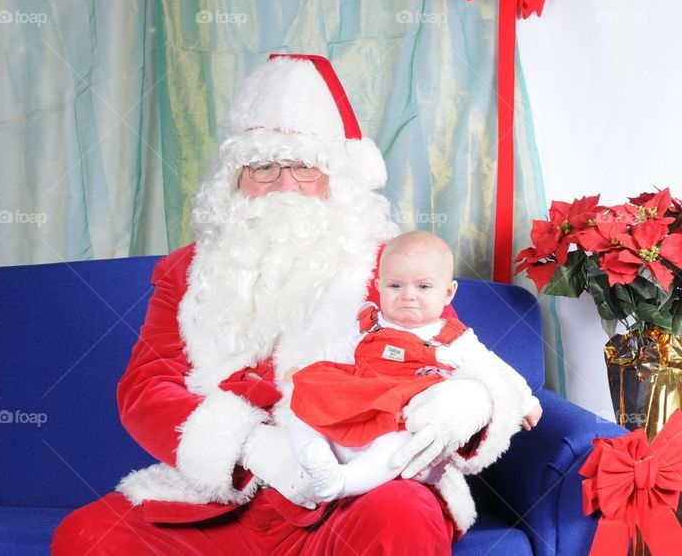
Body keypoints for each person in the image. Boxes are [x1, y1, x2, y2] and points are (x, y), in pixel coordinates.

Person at [51, 54, 535, 554]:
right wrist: (252, 447)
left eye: (304, 166)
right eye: (263, 166)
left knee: (401, 513)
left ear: (337, 178)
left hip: (352, 490)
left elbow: (451, 349)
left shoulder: (385, 267)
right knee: (87, 537)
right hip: (226, 498)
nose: (284, 185)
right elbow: (146, 387)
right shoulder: (186, 270)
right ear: (235, 180)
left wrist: (468, 402)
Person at [288, 231, 542, 503]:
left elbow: (492, 368)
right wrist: (305, 370)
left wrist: (525, 400)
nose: (408, 296)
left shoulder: (452, 339)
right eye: (395, 285)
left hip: (399, 419)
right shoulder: (368, 324)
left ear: (448, 293)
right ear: (379, 286)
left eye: (423, 287)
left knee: (403, 442)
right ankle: (315, 456)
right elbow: (334, 354)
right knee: (304, 397)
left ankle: (343, 482)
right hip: (359, 404)